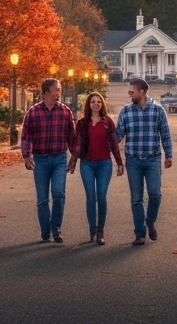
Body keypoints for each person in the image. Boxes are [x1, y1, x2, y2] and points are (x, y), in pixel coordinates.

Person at [116, 78, 173, 246]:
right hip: (133, 160)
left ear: (142, 91)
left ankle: (150, 220)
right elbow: (117, 134)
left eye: (132, 91)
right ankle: (139, 234)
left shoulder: (158, 110)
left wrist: (168, 155)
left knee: (155, 194)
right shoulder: (126, 111)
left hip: (152, 160)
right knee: (136, 198)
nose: (129, 93)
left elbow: (165, 134)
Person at [21, 78, 77, 243]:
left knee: (59, 194)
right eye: (56, 90)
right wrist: (26, 155)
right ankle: (45, 231)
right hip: (41, 159)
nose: (59, 92)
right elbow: (26, 136)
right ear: (45, 92)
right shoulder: (33, 112)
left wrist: (74, 157)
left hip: (59, 158)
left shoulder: (65, 112)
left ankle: (56, 228)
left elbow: (72, 137)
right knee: (42, 198)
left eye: (59, 89)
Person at [69, 91, 122, 245]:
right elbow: (78, 145)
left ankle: (100, 231)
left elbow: (113, 144)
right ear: (89, 105)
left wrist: (119, 163)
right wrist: (72, 162)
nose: (96, 104)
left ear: (102, 104)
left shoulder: (108, 122)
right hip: (87, 164)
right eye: (93, 102)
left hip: (104, 164)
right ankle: (92, 229)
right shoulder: (82, 124)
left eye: (99, 102)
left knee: (101, 197)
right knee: (91, 197)